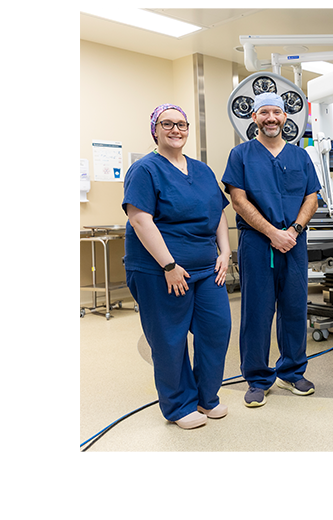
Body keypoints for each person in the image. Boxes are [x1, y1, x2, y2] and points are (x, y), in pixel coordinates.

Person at [123, 104, 232, 430]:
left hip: (206, 269)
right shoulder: (145, 169)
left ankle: (205, 398)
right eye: (167, 123)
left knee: (217, 330)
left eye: (181, 124)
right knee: (169, 339)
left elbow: (218, 215)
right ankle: (178, 405)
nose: (176, 129)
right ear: (154, 129)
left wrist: (225, 252)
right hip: (161, 271)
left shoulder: (202, 171)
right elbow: (140, 218)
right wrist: (169, 264)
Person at [221, 92, 320, 407]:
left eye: (276, 112)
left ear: (285, 117)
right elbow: (238, 199)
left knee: (294, 308)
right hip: (257, 243)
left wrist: (292, 231)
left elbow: (311, 198)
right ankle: (257, 378)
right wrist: (272, 233)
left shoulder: (300, 157)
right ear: (254, 118)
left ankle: (292, 372)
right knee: (257, 312)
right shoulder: (241, 155)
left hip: (294, 242)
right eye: (264, 113)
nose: (271, 118)